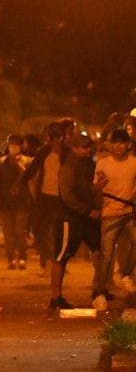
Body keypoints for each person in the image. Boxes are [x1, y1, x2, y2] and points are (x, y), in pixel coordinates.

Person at [50, 133, 100, 310]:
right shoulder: (68, 168)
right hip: (69, 219)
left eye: (89, 147)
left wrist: (96, 189)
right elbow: (67, 196)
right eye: (84, 147)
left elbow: (85, 190)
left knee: (101, 249)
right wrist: (87, 210)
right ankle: (56, 297)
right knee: (61, 256)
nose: (88, 150)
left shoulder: (87, 166)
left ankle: (99, 289)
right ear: (74, 148)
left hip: (85, 218)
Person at [93, 129, 136, 311]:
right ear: (110, 144)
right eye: (115, 142)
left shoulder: (134, 163)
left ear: (129, 145)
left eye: (122, 142)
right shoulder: (103, 164)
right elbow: (96, 190)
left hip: (129, 213)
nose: (118, 146)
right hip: (109, 214)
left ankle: (125, 274)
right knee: (106, 256)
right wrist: (97, 192)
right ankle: (99, 294)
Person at [21, 122, 67, 273]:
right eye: (53, 136)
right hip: (45, 197)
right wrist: (19, 182)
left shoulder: (67, 154)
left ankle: (58, 262)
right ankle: (47, 260)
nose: (56, 140)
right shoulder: (43, 153)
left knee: (59, 232)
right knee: (40, 229)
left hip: (62, 199)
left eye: (58, 136)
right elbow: (32, 170)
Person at [0, 134, 32, 270]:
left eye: (16, 144)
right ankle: (10, 258)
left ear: (21, 146)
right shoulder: (1, 162)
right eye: (11, 143)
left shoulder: (27, 161)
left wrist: (19, 165)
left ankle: (22, 257)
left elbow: (29, 178)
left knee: (19, 231)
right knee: (8, 232)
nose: (13, 146)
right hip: (4, 202)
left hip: (22, 202)